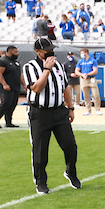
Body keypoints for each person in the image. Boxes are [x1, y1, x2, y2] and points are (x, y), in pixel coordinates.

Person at [22, 37, 80, 194]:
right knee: (41, 149)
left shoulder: (59, 65)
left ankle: (71, 172)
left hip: (59, 111)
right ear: (38, 52)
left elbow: (65, 87)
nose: (50, 52)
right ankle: (40, 182)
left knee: (70, 145)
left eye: (51, 49)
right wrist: (46, 70)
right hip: (40, 112)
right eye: (47, 51)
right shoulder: (30, 67)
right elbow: (37, 88)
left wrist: (70, 108)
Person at [0, 46, 22, 128]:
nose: (17, 54)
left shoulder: (16, 62)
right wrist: (4, 84)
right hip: (5, 87)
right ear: (9, 52)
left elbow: (20, 74)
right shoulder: (2, 61)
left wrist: (25, 84)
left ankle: (8, 122)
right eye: (15, 52)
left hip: (15, 86)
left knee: (13, 104)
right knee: (6, 103)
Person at [76, 48, 101, 115]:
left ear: (86, 53)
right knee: (86, 95)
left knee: (96, 95)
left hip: (91, 79)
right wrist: (82, 75)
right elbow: (76, 71)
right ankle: (88, 110)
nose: (81, 55)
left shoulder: (93, 61)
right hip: (83, 80)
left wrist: (88, 74)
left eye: (82, 53)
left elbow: (95, 70)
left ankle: (97, 109)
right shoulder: (80, 62)